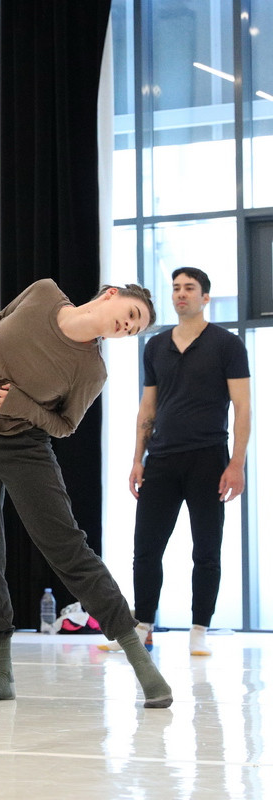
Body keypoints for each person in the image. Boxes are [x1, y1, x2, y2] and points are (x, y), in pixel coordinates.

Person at [0, 278, 172, 708]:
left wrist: (20, 406)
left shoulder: (92, 370)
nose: (128, 326)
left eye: (135, 329)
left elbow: (65, 425)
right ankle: (0, 674)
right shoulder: (43, 292)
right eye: (131, 315)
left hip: (23, 447)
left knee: (67, 547)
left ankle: (141, 662)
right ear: (112, 295)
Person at [101, 268, 250, 658]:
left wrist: (237, 463)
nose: (181, 294)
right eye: (176, 288)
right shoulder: (155, 346)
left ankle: (199, 629)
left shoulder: (228, 345)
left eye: (189, 288)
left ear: (205, 298)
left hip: (209, 459)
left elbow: (243, 407)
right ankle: (142, 627)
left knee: (206, 549)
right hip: (161, 460)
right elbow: (147, 408)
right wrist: (137, 459)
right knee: (146, 548)